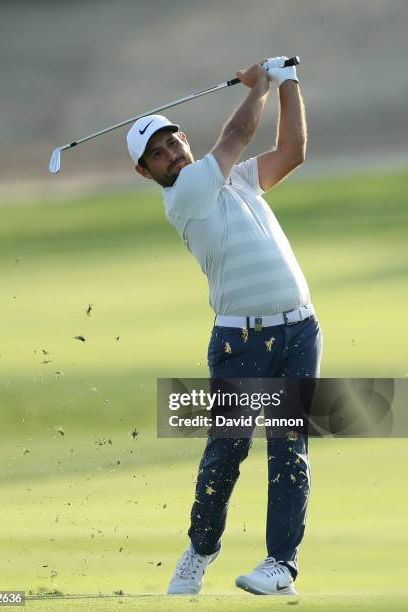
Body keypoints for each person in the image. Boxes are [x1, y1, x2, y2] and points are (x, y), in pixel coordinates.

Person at [126, 56, 323, 597]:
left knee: (290, 445)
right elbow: (238, 131)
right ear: (147, 173)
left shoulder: (236, 178)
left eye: (172, 142)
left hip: (300, 331)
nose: (170, 154)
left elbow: (293, 152)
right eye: (157, 154)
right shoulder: (185, 196)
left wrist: (287, 84)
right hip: (242, 341)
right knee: (227, 449)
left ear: (184, 139)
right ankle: (202, 548)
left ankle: (280, 564)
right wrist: (258, 84)